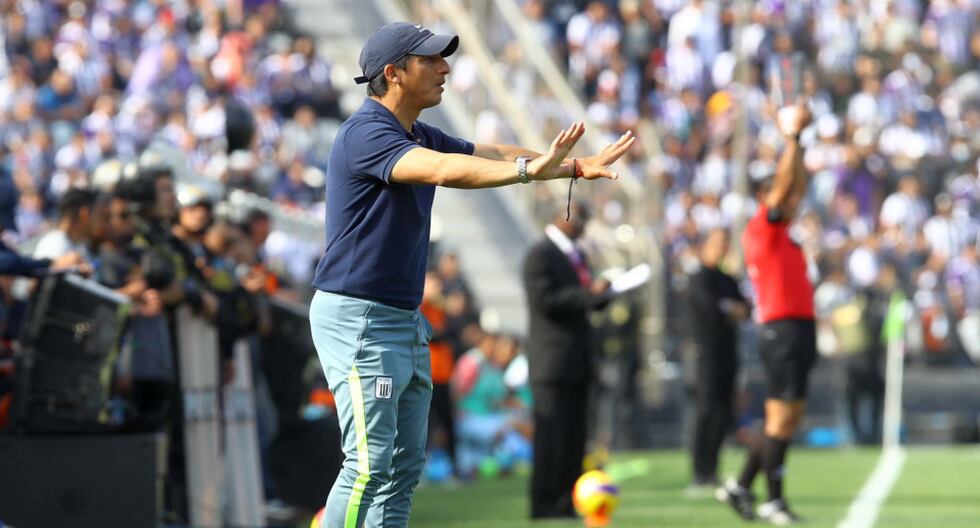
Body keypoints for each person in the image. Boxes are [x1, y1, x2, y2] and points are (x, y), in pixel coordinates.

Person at [307, 21, 634, 528]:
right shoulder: (367, 132)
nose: (444, 68)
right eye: (431, 60)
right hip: (360, 319)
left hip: (396, 318)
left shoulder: (413, 131)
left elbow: (487, 154)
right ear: (393, 74)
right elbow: (444, 170)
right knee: (369, 466)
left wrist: (570, 167)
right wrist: (530, 171)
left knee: (402, 468)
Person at [717, 101, 815, 525]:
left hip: (795, 328)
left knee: (785, 416)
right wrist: (790, 138)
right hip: (782, 330)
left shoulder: (779, 230)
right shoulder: (762, 227)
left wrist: (799, 142)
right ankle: (773, 499)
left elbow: (798, 184)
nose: (792, 197)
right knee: (781, 415)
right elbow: (787, 185)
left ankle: (741, 486)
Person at [522, 200, 614, 519]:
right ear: (564, 216)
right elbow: (545, 301)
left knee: (575, 437)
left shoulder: (577, 255)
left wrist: (602, 295)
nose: (584, 227)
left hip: (578, 360)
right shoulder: (540, 254)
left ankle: (568, 501)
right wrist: (590, 293)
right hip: (552, 360)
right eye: (581, 220)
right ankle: (545, 503)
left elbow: (583, 300)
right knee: (551, 437)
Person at [687, 228, 748, 491]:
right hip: (707, 354)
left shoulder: (727, 278)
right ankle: (700, 471)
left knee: (723, 412)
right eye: (718, 242)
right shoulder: (699, 277)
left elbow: (745, 307)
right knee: (706, 411)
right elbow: (710, 307)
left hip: (728, 352)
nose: (723, 247)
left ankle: (713, 470)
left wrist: (733, 309)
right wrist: (730, 308)